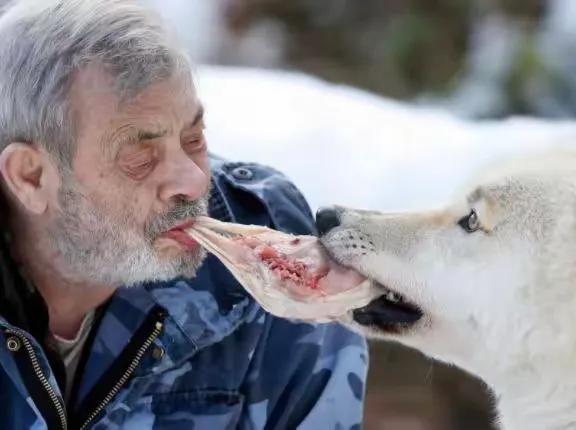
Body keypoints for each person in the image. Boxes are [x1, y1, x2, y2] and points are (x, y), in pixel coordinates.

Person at [0, 0, 367, 429]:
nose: (193, 182)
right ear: (31, 177)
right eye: (140, 157)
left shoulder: (264, 248)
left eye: (193, 138)